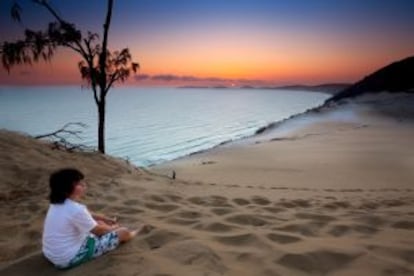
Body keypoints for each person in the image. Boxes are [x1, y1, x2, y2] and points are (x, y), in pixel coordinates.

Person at [42, 168, 141, 269]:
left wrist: (105, 219)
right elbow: (98, 231)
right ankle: (134, 233)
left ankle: (110, 230)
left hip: (51, 254)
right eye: (78, 184)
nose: (83, 184)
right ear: (65, 189)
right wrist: (114, 228)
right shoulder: (75, 209)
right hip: (69, 258)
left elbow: (87, 215)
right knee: (123, 232)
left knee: (99, 222)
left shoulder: (57, 204)